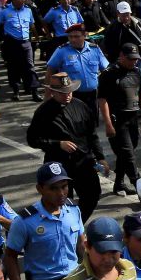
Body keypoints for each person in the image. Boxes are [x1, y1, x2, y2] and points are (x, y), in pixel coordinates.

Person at [27, 72, 104, 220]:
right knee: (61, 202)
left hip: (83, 162)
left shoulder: (80, 106)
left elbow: (92, 134)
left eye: (69, 91)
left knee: (92, 195)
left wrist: (100, 157)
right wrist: (57, 144)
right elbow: (33, 139)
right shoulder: (43, 112)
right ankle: (65, 228)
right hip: (59, 165)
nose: (67, 95)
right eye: (62, 92)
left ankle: (77, 224)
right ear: (53, 92)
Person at [98, 43, 141, 197]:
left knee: (126, 152)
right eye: (130, 59)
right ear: (121, 56)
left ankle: (119, 182)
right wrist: (107, 123)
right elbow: (102, 100)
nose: (133, 61)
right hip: (117, 120)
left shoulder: (136, 72)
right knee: (128, 154)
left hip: (132, 118)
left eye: (135, 59)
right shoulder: (109, 74)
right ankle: (139, 186)